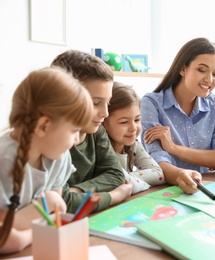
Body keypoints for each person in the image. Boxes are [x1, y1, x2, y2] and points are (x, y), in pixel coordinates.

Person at [0, 67, 94, 254]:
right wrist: (30, 232)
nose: (77, 140)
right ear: (43, 126)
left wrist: (49, 205)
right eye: (74, 130)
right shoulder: (3, 160)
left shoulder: (60, 157)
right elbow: (6, 235)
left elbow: (54, 214)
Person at [140, 37, 215, 194]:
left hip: (207, 187)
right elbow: (156, 160)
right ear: (183, 69)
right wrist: (180, 176)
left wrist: (174, 148)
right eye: (201, 70)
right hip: (167, 190)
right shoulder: (152, 102)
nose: (209, 79)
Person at [51, 50, 132, 213]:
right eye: (95, 103)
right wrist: (114, 196)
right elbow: (63, 204)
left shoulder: (96, 130)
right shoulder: (51, 142)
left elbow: (116, 175)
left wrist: (77, 191)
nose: (105, 113)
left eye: (107, 103)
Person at [103, 82, 165, 194]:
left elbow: (159, 174)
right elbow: (121, 180)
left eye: (137, 120)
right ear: (104, 123)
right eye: (124, 122)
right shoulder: (102, 150)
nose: (133, 128)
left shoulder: (133, 145)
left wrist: (131, 180)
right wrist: (138, 183)